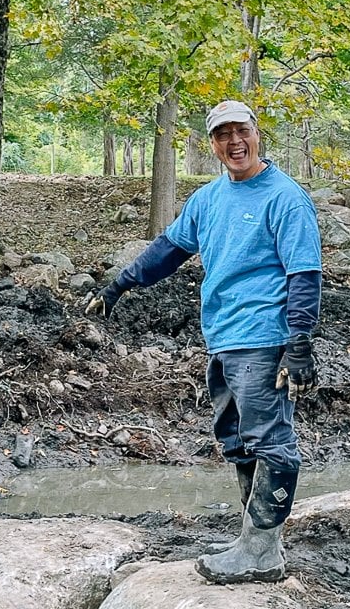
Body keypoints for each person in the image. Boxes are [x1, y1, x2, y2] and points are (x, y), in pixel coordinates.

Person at [85, 100, 321, 584]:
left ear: (257, 133)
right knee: (236, 441)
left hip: (264, 338)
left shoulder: (285, 197)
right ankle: (251, 539)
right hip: (223, 336)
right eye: (222, 135)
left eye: (241, 131)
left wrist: (299, 342)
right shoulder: (209, 199)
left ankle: (262, 551)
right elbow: (170, 250)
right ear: (211, 144)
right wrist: (120, 284)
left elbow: (304, 273)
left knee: (270, 441)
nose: (234, 143)